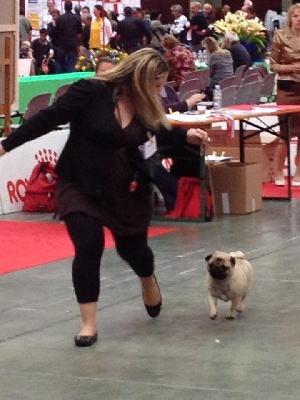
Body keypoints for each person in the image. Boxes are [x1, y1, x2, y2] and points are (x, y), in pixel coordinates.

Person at [0, 48, 209, 346]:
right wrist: (6, 146)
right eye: (157, 84)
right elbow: (47, 118)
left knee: (133, 252)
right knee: (88, 244)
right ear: (140, 77)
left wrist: (186, 135)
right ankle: (89, 325)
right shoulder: (91, 91)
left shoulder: (146, 106)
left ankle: (147, 277)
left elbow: (158, 134)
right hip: (80, 183)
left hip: (126, 190)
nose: (160, 92)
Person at [269, 4, 300, 186]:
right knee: (285, 133)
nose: (299, 19)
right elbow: (273, 65)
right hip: (287, 89)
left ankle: (298, 174)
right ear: (290, 18)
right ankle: (278, 171)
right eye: (296, 16)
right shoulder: (280, 36)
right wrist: (291, 67)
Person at [55, 1, 82, 73]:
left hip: (61, 44)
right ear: (72, 7)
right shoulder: (77, 18)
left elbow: (56, 31)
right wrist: (78, 44)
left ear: (64, 7)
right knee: (72, 63)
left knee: (60, 63)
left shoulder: (60, 18)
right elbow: (79, 33)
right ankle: (70, 79)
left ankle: (59, 78)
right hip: (73, 44)